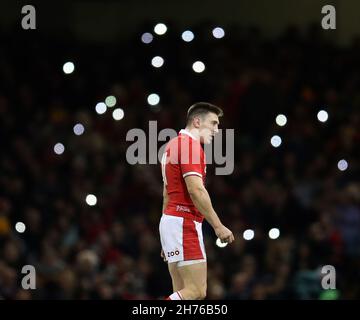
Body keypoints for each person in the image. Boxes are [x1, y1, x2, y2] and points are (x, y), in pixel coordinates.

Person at [159, 102, 235, 300]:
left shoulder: (172, 145)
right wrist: (218, 226)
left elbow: (167, 194)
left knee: (181, 292)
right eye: (214, 124)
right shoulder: (190, 146)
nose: (217, 131)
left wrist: (167, 235)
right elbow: (196, 190)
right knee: (196, 291)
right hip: (184, 222)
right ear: (197, 121)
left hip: (171, 220)